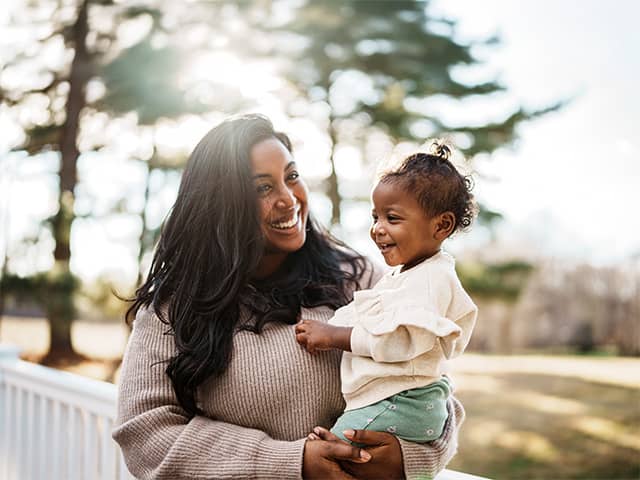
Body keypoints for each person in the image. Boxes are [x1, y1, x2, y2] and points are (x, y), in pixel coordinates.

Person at [113, 114, 465, 480]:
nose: (288, 199)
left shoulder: (360, 279)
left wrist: (410, 458)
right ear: (221, 204)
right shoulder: (174, 308)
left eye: (291, 177)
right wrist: (290, 463)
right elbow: (145, 434)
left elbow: (432, 386)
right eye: (262, 188)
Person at [295, 142, 477, 448]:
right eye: (375, 217)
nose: (378, 229)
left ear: (441, 225)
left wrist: (333, 336)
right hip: (394, 400)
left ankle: (337, 445)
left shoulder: (431, 280)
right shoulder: (407, 275)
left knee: (329, 457)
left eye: (392, 219)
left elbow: (398, 340)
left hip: (403, 401)